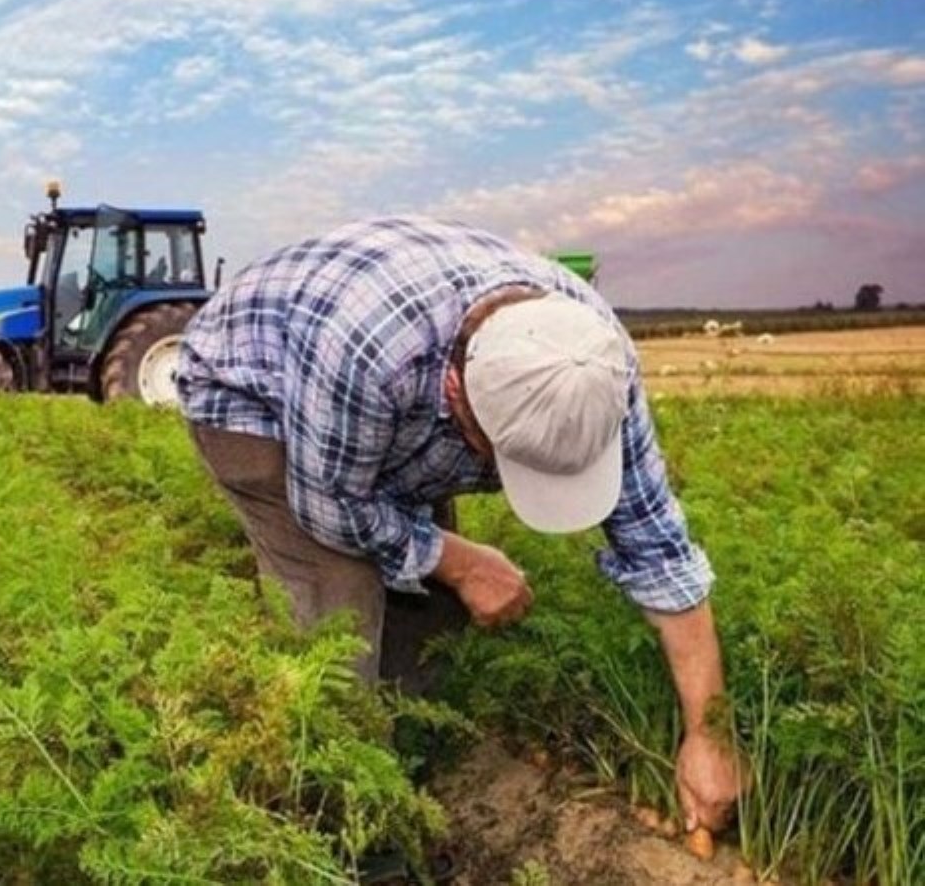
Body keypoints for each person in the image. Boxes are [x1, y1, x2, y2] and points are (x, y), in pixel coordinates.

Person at [175, 216, 741, 833]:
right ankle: (341, 816)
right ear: (457, 392)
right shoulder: (369, 354)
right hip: (255, 395)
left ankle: (414, 765)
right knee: (338, 609)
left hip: (384, 403)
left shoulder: (593, 363)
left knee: (430, 606)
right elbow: (331, 507)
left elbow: (660, 551)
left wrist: (709, 734)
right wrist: (465, 561)